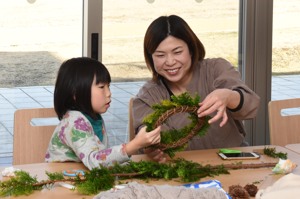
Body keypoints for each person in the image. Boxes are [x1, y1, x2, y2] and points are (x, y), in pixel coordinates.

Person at [132, 15, 260, 162]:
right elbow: (143, 138)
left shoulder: (216, 69)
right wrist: (149, 148)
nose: (170, 62)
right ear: (151, 58)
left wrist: (228, 96)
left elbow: (252, 104)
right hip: (180, 171)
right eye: (160, 55)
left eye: (178, 52)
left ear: (191, 49)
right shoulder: (147, 96)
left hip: (232, 162)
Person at [45, 57, 161, 170]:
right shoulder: (74, 122)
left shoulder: (94, 117)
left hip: (85, 180)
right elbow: (95, 161)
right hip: (62, 183)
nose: (109, 93)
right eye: (101, 87)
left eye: (108, 86)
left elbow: (102, 157)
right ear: (75, 93)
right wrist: (134, 145)